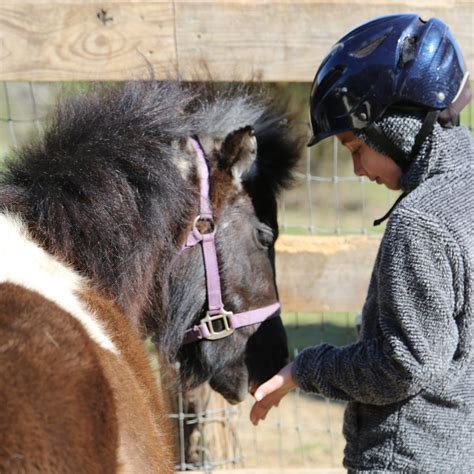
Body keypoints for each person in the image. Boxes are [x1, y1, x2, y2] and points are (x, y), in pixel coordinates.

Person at [250, 13, 474, 472]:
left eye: (356, 148)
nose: (357, 170)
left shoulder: (421, 223)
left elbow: (404, 366)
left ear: (394, 127)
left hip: (406, 458)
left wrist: (304, 370)